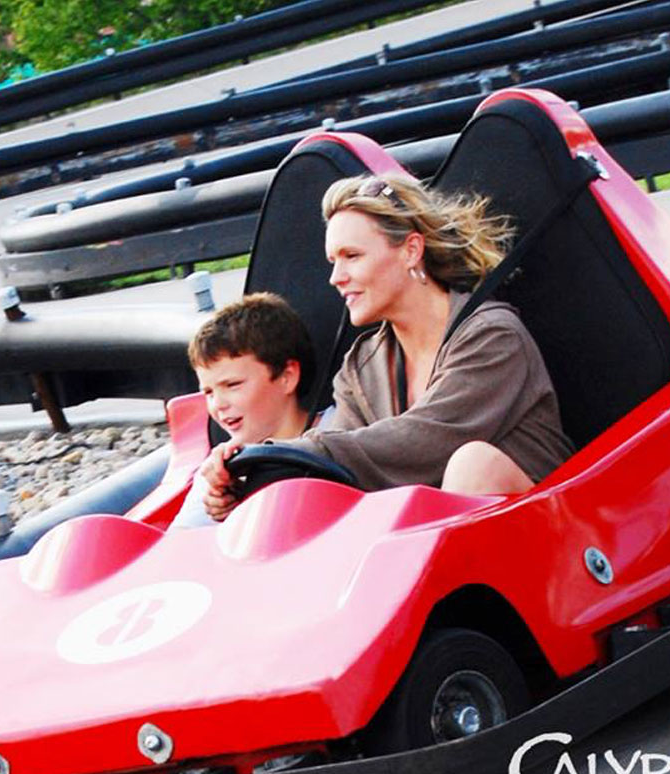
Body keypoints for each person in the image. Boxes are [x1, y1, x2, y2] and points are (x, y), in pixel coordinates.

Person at [201, 173, 575, 522]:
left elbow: (426, 442)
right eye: (333, 261)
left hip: (553, 540)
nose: (336, 278)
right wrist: (248, 480)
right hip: (430, 552)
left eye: (352, 256)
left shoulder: (492, 337)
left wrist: (302, 450)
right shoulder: (360, 367)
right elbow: (336, 472)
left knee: (472, 465)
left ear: (411, 250)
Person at [170, 291, 324, 528]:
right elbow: (180, 546)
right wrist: (229, 505)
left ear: (286, 377)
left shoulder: (342, 428)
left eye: (232, 385)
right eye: (209, 392)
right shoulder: (220, 470)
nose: (218, 404)